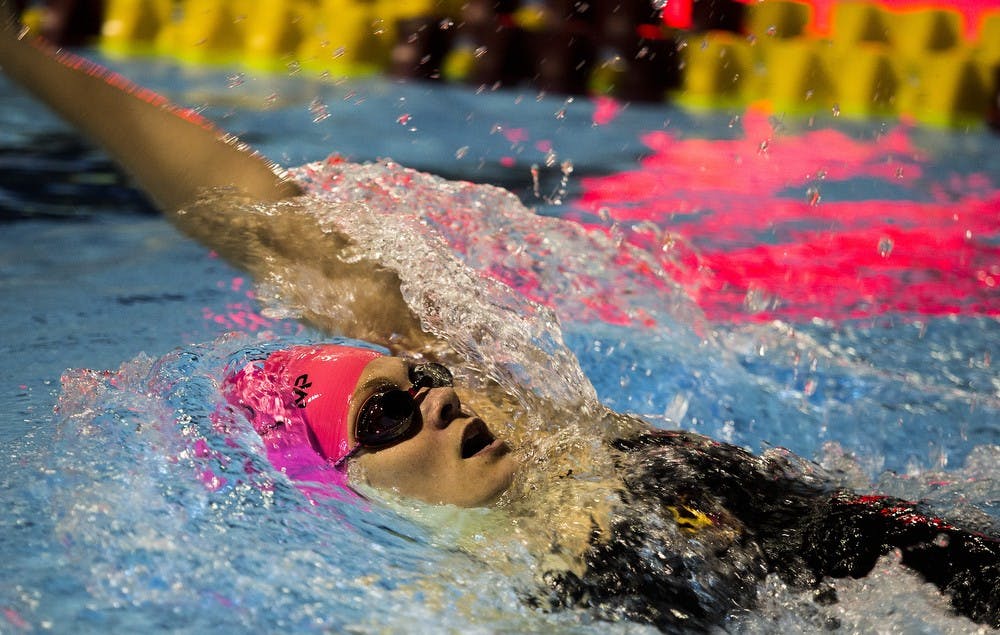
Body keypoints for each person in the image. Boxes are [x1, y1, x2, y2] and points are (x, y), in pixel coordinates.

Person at [2, 11, 997, 631]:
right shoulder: (459, 608)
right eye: (386, 422)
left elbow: (268, 232)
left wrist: (25, 59)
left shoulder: (541, 423)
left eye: (418, 387)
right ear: (341, 492)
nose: (435, 407)